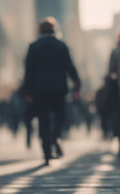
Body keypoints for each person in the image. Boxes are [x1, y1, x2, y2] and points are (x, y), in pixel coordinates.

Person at [23, 17, 81, 165]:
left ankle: (47, 152)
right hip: (59, 88)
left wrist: (27, 91)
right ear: (54, 30)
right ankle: (55, 136)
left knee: (43, 120)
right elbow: (70, 67)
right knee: (60, 117)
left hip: (39, 89)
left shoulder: (34, 46)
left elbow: (29, 71)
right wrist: (76, 84)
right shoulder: (61, 46)